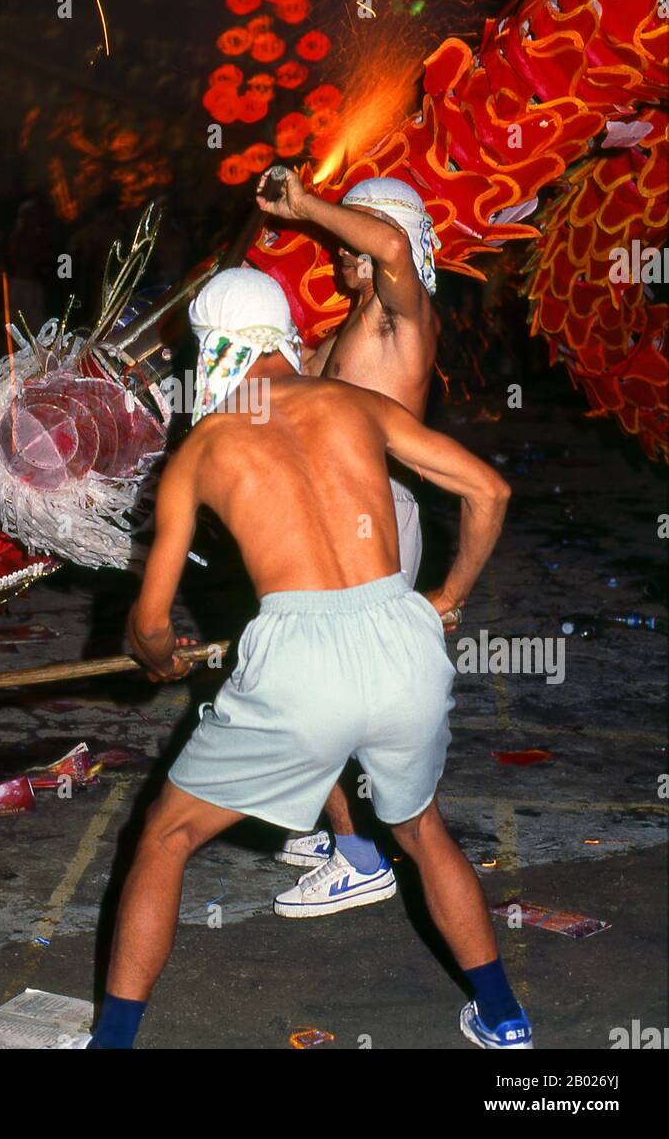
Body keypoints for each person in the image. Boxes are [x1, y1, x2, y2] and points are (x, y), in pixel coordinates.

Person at [68, 267, 529, 1051]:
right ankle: (503, 1016)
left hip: (299, 662)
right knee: (419, 829)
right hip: (401, 640)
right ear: (284, 334)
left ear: (209, 351)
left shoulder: (204, 448)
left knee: (166, 837)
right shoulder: (355, 402)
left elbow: (148, 624)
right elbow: (488, 491)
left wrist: (160, 661)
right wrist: (444, 597)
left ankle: (112, 1043)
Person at [254, 169, 443, 915]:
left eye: (349, 235)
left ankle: (360, 853)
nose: (336, 251)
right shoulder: (344, 330)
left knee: (320, 688)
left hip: (374, 519)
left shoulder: (404, 319)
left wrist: (305, 205)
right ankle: (342, 826)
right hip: (327, 518)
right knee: (309, 678)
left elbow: (391, 245)